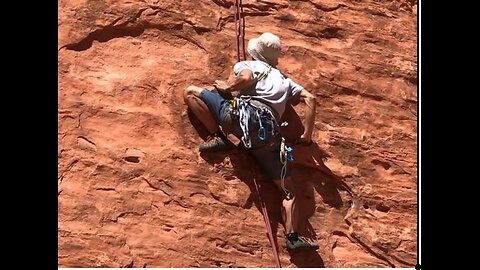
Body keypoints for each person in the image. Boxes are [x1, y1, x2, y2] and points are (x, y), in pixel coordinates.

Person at [183, 32, 318, 251]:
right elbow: (311, 99)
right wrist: (307, 136)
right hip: (269, 138)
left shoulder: (249, 65)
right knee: (288, 191)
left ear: (255, 53)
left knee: (191, 92)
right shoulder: (285, 80)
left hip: (241, 119)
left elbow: (245, 79)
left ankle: (218, 137)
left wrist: (227, 88)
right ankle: (293, 238)